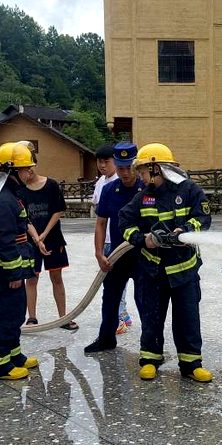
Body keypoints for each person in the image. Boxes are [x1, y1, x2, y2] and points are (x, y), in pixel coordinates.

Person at [117, 143, 213, 382]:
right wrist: (144, 240)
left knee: (187, 317)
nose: (140, 176)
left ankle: (192, 364)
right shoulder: (142, 197)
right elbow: (124, 224)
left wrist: (187, 229)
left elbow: (204, 217)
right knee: (152, 316)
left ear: (155, 167)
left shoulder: (189, 190)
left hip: (185, 270)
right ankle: (150, 360)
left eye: (142, 171)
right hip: (153, 270)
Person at [0, 142, 39, 379]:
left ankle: (13, 355)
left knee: (14, 314)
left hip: (7, 272)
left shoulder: (7, 194)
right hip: (2, 274)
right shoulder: (3, 200)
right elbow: (4, 241)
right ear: (12, 171)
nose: (28, 173)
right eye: (24, 169)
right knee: (1, 317)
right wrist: (13, 274)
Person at [85, 142, 145, 353]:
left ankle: (150, 344)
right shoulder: (110, 190)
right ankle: (106, 338)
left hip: (142, 255)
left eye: (130, 168)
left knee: (144, 299)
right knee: (110, 296)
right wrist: (99, 253)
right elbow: (101, 223)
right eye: (121, 168)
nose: (126, 173)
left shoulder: (146, 189)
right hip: (117, 255)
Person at [18, 150, 74, 329]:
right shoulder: (20, 191)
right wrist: (36, 239)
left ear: (35, 164)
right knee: (31, 278)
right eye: (23, 168)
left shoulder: (51, 185)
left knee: (56, 277)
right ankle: (32, 317)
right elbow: (24, 218)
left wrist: (44, 235)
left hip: (53, 238)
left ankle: (63, 317)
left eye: (30, 166)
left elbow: (58, 211)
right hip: (31, 242)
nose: (29, 170)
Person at [91, 143, 131, 331]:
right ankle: (121, 315)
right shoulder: (101, 183)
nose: (102, 165)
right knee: (112, 284)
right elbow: (100, 218)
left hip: (125, 242)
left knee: (123, 282)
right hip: (107, 241)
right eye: (99, 161)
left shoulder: (124, 180)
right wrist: (98, 251)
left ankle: (121, 317)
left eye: (106, 161)